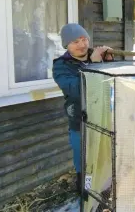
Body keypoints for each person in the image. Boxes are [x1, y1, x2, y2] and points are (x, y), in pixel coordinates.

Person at [52, 23, 114, 196]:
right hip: (80, 121)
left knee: (103, 158)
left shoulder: (97, 56)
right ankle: (86, 194)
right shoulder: (61, 66)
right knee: (84, 161)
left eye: (84, 39)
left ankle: (104, 192)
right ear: (66, 45)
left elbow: (111, 83)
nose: (82, 45)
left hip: (102, 118)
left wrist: (109, 63)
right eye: (75, 41)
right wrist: (93, 65)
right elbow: (76, 89)